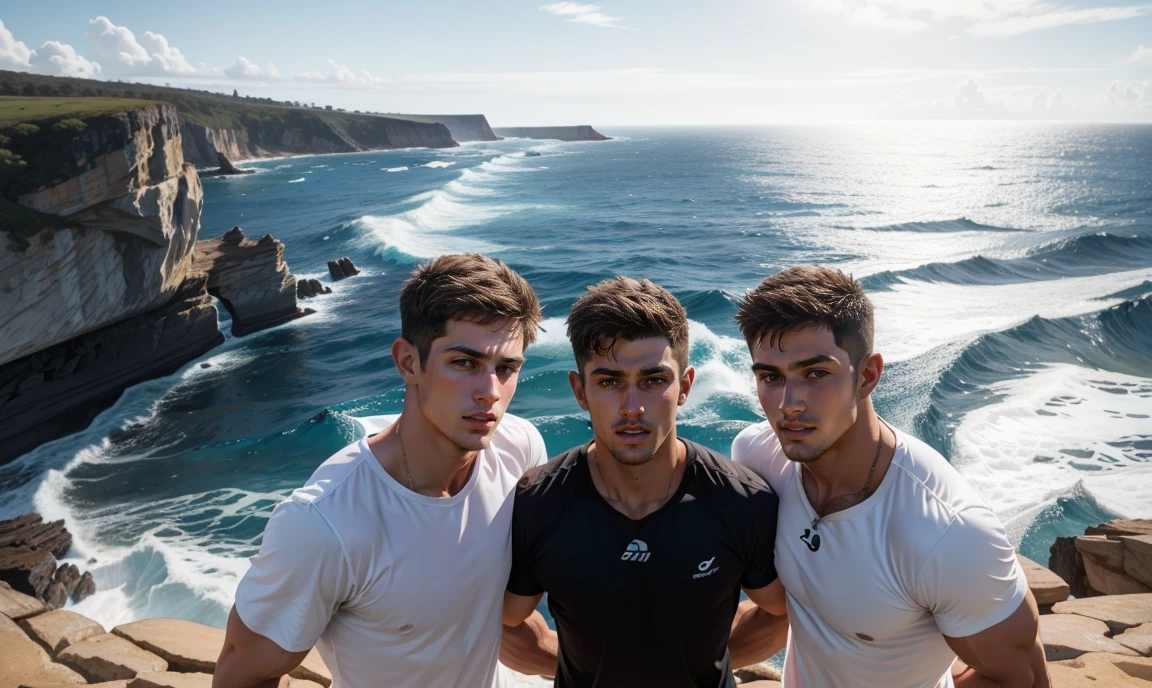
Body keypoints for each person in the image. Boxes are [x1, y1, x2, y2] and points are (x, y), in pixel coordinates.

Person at [214, 254, 558, 688]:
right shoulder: (326, 524)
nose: (490, 392)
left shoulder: (519, 448)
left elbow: (501, 620)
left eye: (506, 368)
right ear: (409, 363)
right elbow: (242, 676)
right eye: (465, 363)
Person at [730, 265, 1050, 688]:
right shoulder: (758, 459)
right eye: (770, 377)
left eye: (815, 373)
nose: (788, 403)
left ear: (867, 375)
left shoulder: (947, 533)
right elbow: (784, 611)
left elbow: (1022, 680)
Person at [502, 277, 789, 688]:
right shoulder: (538, 503)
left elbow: (777, 611)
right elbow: (506, 622)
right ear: (580, 391)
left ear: (685, 386)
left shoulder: (741, 501)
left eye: (654, 381)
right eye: (609, 382)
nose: (633, 407)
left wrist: (701, 664)